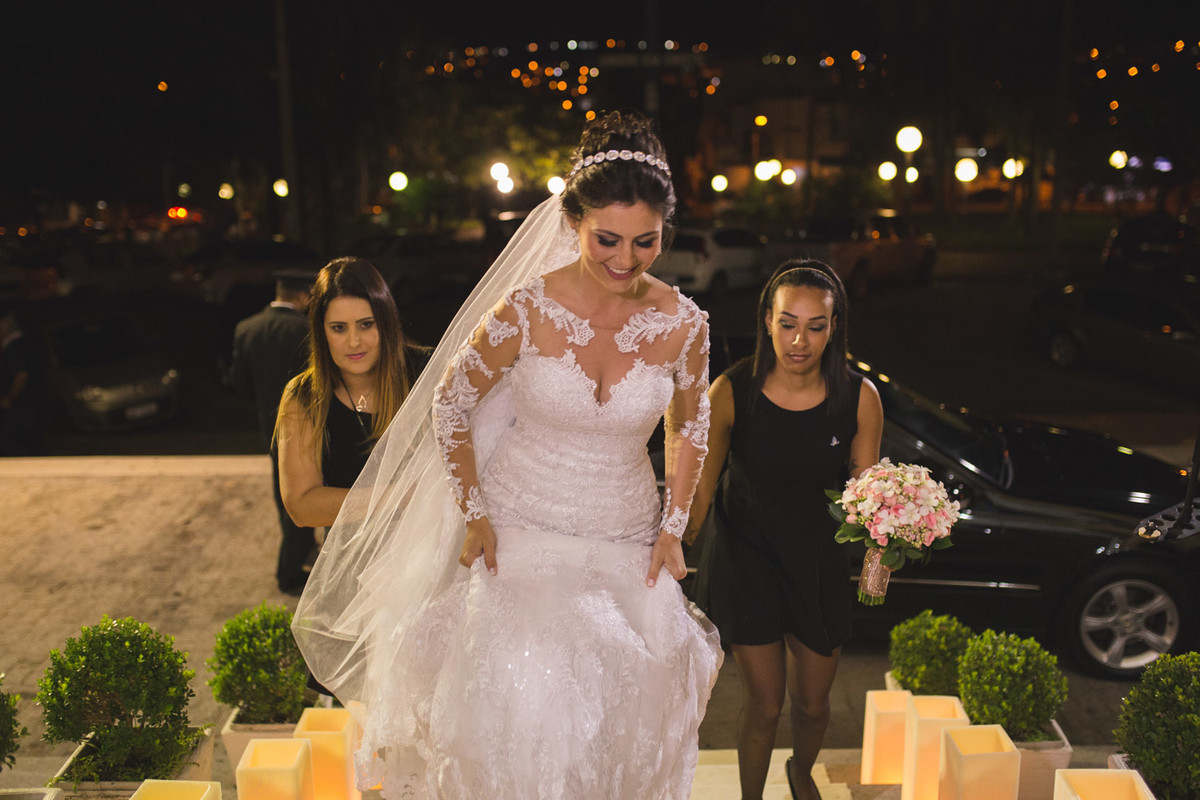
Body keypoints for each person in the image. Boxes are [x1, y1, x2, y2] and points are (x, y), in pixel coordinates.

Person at [292, 110, 722, 799]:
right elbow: (450, 402)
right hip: (521, 535)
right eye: (607, 239)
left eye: (646, 242)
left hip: (626, 537)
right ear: (573, 220)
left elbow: (691, 428)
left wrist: (674, 528)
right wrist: (475, 511)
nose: (625, 259)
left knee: (618, 724)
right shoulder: (526, 309)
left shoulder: (685, 325)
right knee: (524, 719)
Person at [689, 260, 883, 800]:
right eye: (787, 324)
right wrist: (671, 547)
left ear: (835, 326)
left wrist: (885, 550)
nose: (800, 340)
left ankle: (801, 771)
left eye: (815, 326)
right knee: (765, 703)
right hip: (746, 557)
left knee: (814, 704)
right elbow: (699, 489)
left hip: (817, 559)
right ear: (767, 321)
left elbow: (869, 495)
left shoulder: (859, 397)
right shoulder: (731, 391)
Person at [275, 257, 427, 531]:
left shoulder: (429, 373)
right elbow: (301, 507)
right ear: (321, 332)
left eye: (366, 324)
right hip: (351, 565)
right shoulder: (305, 395)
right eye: (339, 328)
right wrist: (403, 496)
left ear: (386, 322)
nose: (354, 341)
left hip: (432, 556)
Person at [229, 269, 316, 594]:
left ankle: (297, 553)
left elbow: (239, 383)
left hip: (270, 426)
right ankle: (290, 570)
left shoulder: (247, 328)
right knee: (309, 495)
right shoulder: (306, 329)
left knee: (285, 495)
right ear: (301, 296)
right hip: (309, 424)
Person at [0, 307, 47, 456]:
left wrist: (9, 397)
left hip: (23, 401)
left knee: (10, 442)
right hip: (34, 398)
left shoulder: (14, 346)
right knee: (28, 440)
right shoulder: (28, 341)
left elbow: (21, 375)